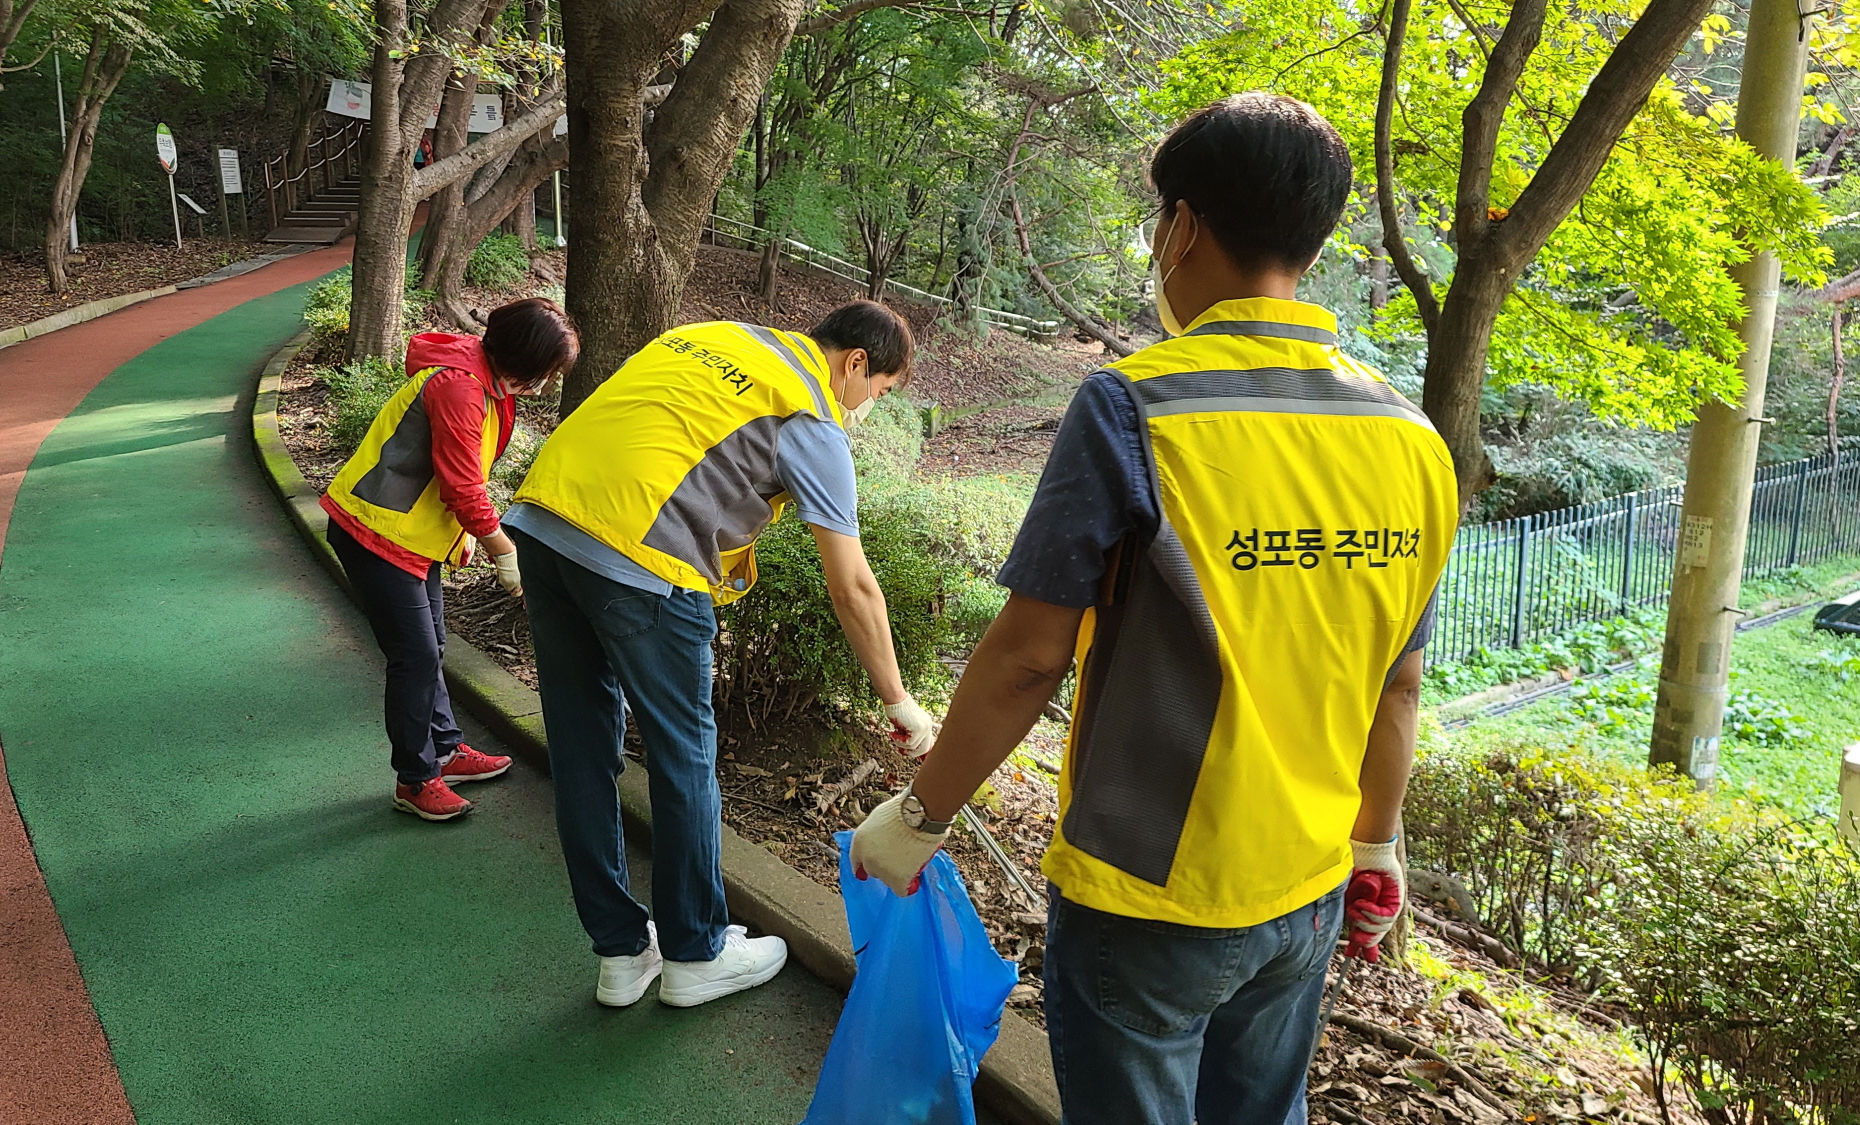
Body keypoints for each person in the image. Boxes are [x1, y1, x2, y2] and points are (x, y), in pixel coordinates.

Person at [850, 94, 1459, 1123]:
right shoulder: (1411, 438)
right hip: (1304, 886)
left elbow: (1027, 658)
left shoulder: (1134, 405)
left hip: (1144, 894)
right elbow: (1397, 680)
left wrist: (920, 816)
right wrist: (1374, 845)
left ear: (1179, 226)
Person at [503, 301, 941, 1009]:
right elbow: (852, 582)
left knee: (582, 750)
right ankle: (695, 951)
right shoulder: (808, 412)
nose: (869, 408)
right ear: (856, 363)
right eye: (880, 393)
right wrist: (898, 699)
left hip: (546, 523)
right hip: (641, 559)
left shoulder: (719, 337)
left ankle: (620, 952)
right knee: (684, 755)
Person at [322, 296, 579, 822]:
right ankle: (415, 780)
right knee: (414, 656)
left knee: (432, 646)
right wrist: (505, 555)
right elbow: (464, 488)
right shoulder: (460, 386)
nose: (548, 385)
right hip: (373, 532)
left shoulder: (483, 376)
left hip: (410, 536)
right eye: (548, 372)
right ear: (525, 360)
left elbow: (462, 475)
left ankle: (446, 748)